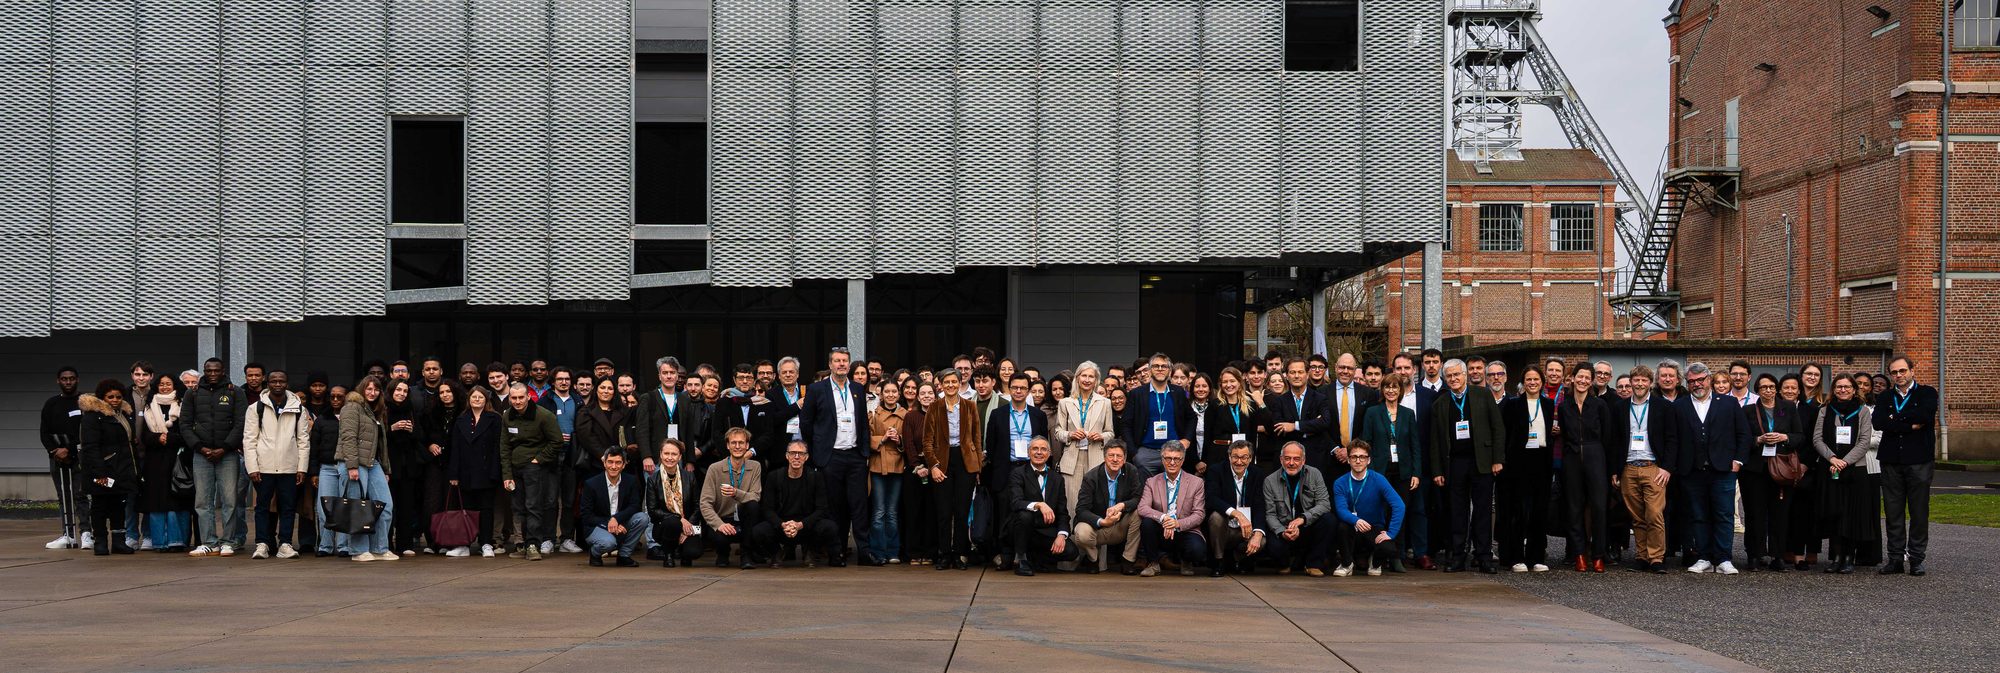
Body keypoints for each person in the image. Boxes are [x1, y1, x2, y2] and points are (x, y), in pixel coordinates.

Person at [797, 346, 874, 566]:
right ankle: (837, 552)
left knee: (859, 506)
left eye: (844, 361)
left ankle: (864, 552)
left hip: (855, 456)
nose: (841, 364)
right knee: (835, 507)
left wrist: (865, 453)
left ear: (849, 365)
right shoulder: (816, 389)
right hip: (831, 458)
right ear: (830, 364)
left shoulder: (857, 390)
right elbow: (807, 423)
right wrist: (817, 452)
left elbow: (863, 425)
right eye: (837, 361)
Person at [1428, 359, 1505, 574]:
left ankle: (1484, 557)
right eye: (1449, 376)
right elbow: (1435, 441)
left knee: (1482, 511)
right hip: (1455, 464)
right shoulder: (1440, 403)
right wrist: (1437, 470)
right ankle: (1458, 556)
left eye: (1457, 375)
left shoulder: (1482, 395)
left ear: (1465, 375)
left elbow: (1497, 427)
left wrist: (1498, 458)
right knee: (1457, 512)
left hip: (1482, 461)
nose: (1453, 379)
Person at [1674, 363, 1749, 575]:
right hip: (1692, 470)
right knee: (1698, 515)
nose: (1697, 384)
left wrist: (1739, 461)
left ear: (1709, 379)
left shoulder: (1728, 403)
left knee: (1724, 515)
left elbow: (1743, 434)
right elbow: (1674, 439)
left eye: (1701, 380)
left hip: (1723, 469)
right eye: (1692, 381)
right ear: (1687, 383)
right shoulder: (1679, 406)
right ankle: (1704, 556)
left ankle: (1724, 558)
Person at [1612, 365, 1679, 573]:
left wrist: (1667, 467)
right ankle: (1642, 556)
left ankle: (1657, 558)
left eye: (1644, 380)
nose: (1639, 384)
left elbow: (1672, 439)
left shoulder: (1663, 407)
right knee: (1637, 517)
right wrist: (1615, 470)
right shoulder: (1620, 407)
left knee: (1654, 514)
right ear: (1631, 382)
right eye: (1636, 380)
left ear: (1650, 383)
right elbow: (1615, 441)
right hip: (1629, 467)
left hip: (1653, 468)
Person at [1875, 354, 1937, 576]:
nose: (1898, 375)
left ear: (1912, 370)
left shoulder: (1927, 393)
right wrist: (1909, 425)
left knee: (1919, 511)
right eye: (1894, 372)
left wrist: (1895, 420)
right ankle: (1895, 558)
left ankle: (1917, 558)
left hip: (1919, 460)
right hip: (1891, 461)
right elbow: (1879, 422)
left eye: (1902, 371)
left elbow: (1925, 416)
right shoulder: (1884, 397)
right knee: (1893, 512)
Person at [1813, 374, 1878, 573]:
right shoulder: (1825, 410)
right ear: (1833, 389)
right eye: (1839, 386)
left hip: (1855, 470)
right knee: (1835, 514)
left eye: (1847, 386)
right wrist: (1832, 459)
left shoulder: (1863, 411)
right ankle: (1836, 557)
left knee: (1852, 515)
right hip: (1830, 468)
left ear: (1853, 389)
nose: (1843, 390)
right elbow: (1817, 439)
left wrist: (1844, 462)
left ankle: (1849, 557)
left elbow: (1864, 441)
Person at [243, 370, 311, 560]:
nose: (278, 384)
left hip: (289, 466)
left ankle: (285, 544)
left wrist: (301, 468)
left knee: (288, 507)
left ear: (287, 383)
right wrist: (253, 467)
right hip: (263, 467)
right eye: (274, 381)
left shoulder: (298, 408)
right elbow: (249, 440)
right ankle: (262, 543)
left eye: (281, 381)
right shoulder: (256, 408)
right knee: (262, 507)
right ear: (268, 383)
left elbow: (303, 440)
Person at [1740, 374, 1803, 572]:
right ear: (1757, 390)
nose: (1768, 390)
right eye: (1763, 387)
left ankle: (1778, 556)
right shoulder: (1748, 410)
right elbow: (1741, 438)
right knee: (1754, 514)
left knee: (1780, 514)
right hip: (1755, 470)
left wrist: (1784, 437)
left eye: (1771, 387)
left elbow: (1800, 436)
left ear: (1777, 389)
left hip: (1781, 468)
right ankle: (1754, 555)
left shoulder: (1789, 408)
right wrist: (1758, 440)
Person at [182, 358, 245, 557]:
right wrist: (200, 447)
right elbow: (185, 424)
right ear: (204, 371)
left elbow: (241, 423)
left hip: (227, 454)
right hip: (202, 455)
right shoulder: (192, 393)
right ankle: (209, 541)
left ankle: (228, 541)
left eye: (216, 370)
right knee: (202, 501)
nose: (212, 374)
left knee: (229, 500)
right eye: (208, 370)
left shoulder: (235, 391)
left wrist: (225, 447)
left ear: (223, 371)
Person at [1555, 365, 1615, 573]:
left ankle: (1598, 555)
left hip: (1595, 456)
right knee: (1574, 508)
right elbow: (1564, 433)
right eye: (1579, 377)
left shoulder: (1599, 405)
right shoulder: (1565, 407)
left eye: (1587, 378)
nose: (1582, 381)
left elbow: (1607, 437)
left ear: (1591, 381)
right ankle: (1579, 554)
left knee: (1599, 507)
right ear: (1572, 379)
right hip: (1571, 458)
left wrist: (1605, 463)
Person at [1358, 372, 1420, 572]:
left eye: (1395, 387)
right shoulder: (1373, 412)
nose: (1391, 390)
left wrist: (1416, 473)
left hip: (1403, 472)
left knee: (1399, 512)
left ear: (1400, 390)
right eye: (1387, 387)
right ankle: (1378, 554)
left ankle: (1396, 556)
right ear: (1382, 390)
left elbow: (1415, 446)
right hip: (1379, 472)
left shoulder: (1408, 414)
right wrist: (1368, 470)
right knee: (1379, 514)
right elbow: (1366, 442)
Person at [1497, 367, 1556, 573]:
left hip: (1541, 460)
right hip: (1518, 462)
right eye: (1529, 379)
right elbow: (1506, 434)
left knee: (1539, 511)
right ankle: (1516, 557)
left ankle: (1537, 556)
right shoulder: (1513, 404)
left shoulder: (1548, 404)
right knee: (1519, 511)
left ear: (1542, 382)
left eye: (1536, 379)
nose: (1532, 382)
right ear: (1523, 382)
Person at [922, 369, 982, 570]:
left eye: (954, 381)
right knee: (944, 511)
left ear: (959, 383)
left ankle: (960, 554)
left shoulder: (970, 406)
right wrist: (934, 466)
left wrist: (977, 467)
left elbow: (976, 438)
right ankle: (944, 554)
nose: (950, 385)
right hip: (943, 461)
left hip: (965, 461)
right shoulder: (934, 407)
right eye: (946, 382)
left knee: (963, 510)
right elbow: (927, 441)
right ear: (940, 384)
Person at [336, 377, 397, 561]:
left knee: (385, 505)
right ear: (362, 389)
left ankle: (380, 548)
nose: (372, 392)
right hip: (354, 463)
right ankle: (358, 550)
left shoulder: (376, 410)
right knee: (358, 508)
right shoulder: (351, 407)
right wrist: (352, 466)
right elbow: (348, 438)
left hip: (373, 463)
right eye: (368, 389)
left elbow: (382, 444)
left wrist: (386, 469)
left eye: (376, 389)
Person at [500, 382, 563, 561]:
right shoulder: (507, 417)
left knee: (533, 506)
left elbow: (557, 442)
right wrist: (507, 475)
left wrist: (539, 460)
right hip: (515, 467)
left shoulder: (544, 415)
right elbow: (504, 447)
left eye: (521, 397)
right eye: (514, 398)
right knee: (518, 507)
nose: (518, 401)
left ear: (529, 396)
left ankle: (533, 544)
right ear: (510, 398)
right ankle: (523, 544)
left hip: (535, 468)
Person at [1001, 437, 1077, 576]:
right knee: (1025, 515)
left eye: (1043, 449)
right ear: (1028, 452)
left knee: (1071, 551)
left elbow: (1062, 512)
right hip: (1019, 528)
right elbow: (1016, 502)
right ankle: (1021, 559)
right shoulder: (1018, 473)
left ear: (1049, 454)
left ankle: (1036, 558)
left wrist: (1062, 535)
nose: (1039, 452)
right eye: (1035, 449)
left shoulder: (1057, 479)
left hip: (1043, 531)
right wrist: (1039, 504)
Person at [755, 441, 838, 567]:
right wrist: (782, 524)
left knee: (829, 527)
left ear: (807, 457)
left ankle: (810, 552)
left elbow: (822, 509)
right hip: (783, 526)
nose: (797, 457)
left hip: (806, 526)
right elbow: (767, 509)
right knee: (759, 531)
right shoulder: (774, 476)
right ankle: (776, 553)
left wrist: (800, 525)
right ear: (787, 456)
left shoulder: (815, 477)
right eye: (793, 453)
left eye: (801, 453)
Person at [78, 380, 138, 556]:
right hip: (101, 469)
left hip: (121, 468)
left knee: (119, 505)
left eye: (118, 396)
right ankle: (101, 542)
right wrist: (99, 473)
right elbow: (90, 447)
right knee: (100, 506)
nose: (115, 399)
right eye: (110, 396)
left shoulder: (123, 414)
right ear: (102, 397)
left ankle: (119, 541)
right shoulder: (92, 416)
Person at [1053, 361, 1118, 521]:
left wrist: (1101, 436)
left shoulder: (1105, 403)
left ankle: (1094, 542)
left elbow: (1111, 432)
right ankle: (1070, 542)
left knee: (1096, 503)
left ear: (1096, 380)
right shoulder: (1065, 402)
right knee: (1071, 504)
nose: (1087, 380)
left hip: (1096, 457)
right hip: (1071, 459)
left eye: (1091, 376)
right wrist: (1071, 434)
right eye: (1084, 375)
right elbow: (1058, 432)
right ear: (1077, 378)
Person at [1333, 442, 1406, 576]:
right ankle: (1346, 564)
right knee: (1341, 527)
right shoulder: (1340, 482)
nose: (1358, 460)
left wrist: (1391, 533)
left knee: (1389, 548)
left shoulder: (1379, 479)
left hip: (1373, 527)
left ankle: (1375, 563)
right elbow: (1341, 509)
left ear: (1369, 460)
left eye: (1362, 457)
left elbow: (1399, 505)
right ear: (1348, 460)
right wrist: (1356, 520)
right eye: (1354, 457)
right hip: (1352, 527)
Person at [1262, 442, 1335, 576]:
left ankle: (1313, 564)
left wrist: (1303, 518)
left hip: (1306, 526)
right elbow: (1270, 514)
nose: (1291, 463)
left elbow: (1325, 504)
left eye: (1296, 459)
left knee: (1328, 520)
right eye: (1287, 458)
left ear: (1303, 460)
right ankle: (1284, 563)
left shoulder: (1314, 474)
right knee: (1273, 546)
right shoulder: (1269, 481)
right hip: (1284, 529)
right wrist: (1282, 532)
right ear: (1281, 459)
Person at [136, 374, 191, 552]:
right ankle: (159, 542)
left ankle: (177, 541)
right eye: (161, 384)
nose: (165, 387)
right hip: (155, 460)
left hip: (178, 459)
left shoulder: (184, 405)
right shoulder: (149, 406)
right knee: (156, 501)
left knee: (178, 500)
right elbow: (143, 435)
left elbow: (188, 432)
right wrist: (157, 438)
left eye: (168, 384)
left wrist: (171, 438)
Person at [1136, 441, 1206, 576]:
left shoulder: (1196, 482)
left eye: (1176, 459)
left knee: (1197, 550)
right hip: (1161, 530)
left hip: (1185, 530)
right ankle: (1153, 563)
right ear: (1162, 460)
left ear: (1183, 460)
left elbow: (1199, 514)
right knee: (1147, 523)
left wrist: (1177, 523)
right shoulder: (1152, 482)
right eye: (1168, 458)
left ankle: (1186, 561)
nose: (1172, 462)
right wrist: (1164, 518)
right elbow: (1142, 507)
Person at [700, 427, 762, 570]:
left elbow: (755, 496)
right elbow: (705, 503)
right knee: (718, 536)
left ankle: (746, 554)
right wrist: (719, 524)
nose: (738, 446)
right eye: (733, 443)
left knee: (752, 505)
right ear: (727, 445)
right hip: (723, 519)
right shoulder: (714, 468)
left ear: (747, 446)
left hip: (744, 518)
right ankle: (723, 553)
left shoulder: (755, 466)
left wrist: (736, 492)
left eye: (741, 443)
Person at [1125, 353, 1197, 474]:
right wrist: (1134, 452)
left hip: (1173, 451)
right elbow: (1126, 424)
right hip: (1145, 453)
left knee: (1171, 491)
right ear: (1149, 370)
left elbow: (1192, 418)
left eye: (1164, 366)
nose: (1160, 369)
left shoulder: (1178, 392)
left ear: (1169, 371)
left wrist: (1186, 440)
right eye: (1156, 366)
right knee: (1146, 491)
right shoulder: (1136, 394)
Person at [382, 379, 431, 556]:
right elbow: (378, 435)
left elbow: (421, 435)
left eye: (404, 391)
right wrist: (392, 428)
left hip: (408, 465)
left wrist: (411, 430)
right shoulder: (384, 409)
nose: (401, 393)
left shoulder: (411, 409)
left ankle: (405, 543)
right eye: (398, 390)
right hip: (389, 465)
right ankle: (385, 543)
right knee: (388, 506)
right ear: (391, 391)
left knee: (406, 506)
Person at [1203, 440, 1267, 577]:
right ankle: (1219, 561)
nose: (1239, 462)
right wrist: (1236, 513)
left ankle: (1237, 559)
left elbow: (1261, 505)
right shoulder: (1216, 470)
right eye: (1235, 457)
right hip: (1224, 528)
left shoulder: (1257, 474)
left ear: (1250, 458)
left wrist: (1258, 532)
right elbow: (1211, 498)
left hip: (1246, 529)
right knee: (1216, 517)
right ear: (1229, 456)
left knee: (1261, 541)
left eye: (1244, 457)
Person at [41, 366, 87, 550]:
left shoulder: (84, 401)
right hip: (57, 458)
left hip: (78, 457)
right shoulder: (51, 404)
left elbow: (85, 431)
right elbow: (44, 432)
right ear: (58, 381)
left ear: (77, 380)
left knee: (81, 495)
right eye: (64, 379)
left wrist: (69, 450)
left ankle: (86, 533)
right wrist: (55, 451)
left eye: (71, 378)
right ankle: (68, 534)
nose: (68, 382)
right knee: (63, 496)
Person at [867, 377, 912, 564]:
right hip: (878, 465)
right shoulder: (874, 413)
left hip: (897, 466)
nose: (891, 395)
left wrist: (899, 439)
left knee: (892, 512)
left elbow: (910, 441)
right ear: (881, 394)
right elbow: (866, 438)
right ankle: (877, 550)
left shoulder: (905, 414)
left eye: (894, 392)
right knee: (878, 512)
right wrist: (882, 438)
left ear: (899, 394)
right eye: (887, 392)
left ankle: (893, 550)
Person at [537, 367, 582, 554]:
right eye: (560, 379)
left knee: (570, 500)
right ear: (553, 381)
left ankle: (566, 539)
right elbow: (537, 427)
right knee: (550, 500)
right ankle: (548, 538)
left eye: (567, 379)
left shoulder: (578, 401)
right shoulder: (545, 400)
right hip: (551, 455)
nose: (564, 382)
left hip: (572, 456)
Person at [579, 448, 649, 567]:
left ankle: (624, 555)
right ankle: (595, 553)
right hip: (597, 526)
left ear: (624, 464)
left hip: (620, 522)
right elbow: (586, 516)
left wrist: (616, 519)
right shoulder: (591, 484)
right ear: (604, 463)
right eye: (610, 462)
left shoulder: (631, 481)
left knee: (642, 518)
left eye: (618, 462)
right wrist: (609, 523)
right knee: (608, 543)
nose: (613, 466)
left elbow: (635, 506)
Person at [634, 357, 699, 476]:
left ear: (677, 376)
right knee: (655, 493)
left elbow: (689, 432)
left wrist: (690, 460)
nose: (669, 376)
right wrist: (646, 456)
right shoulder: (648, 398)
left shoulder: (684, 399)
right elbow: (641, 430)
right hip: (654, 459)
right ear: (659, 376)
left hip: (679, 458)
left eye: (672, 372)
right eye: (665, 373)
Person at [417, 381, 462, 555]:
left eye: (448, 391)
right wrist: (429, 445)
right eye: (441, 392)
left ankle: (449, 542)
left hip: (454, 463)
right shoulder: (430, 413)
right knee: (432, 502)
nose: (445, 395)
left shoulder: (463, 412)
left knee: (451, 502)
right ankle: (433, 541)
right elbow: (422, 436)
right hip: (434, 463)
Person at [645, 439, 705, 567]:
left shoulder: (689, 477)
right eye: (666, 454)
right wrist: (679, 519)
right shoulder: (653, 480)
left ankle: (684, 553)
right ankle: (668, 554)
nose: (670, 458)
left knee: (694, 552)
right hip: (664, 527)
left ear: (680, 457)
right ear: (660, 455)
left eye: (674, 454)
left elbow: (698, 505)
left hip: (690, 523)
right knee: (672, 522)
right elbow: (652, 510)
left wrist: (687, 526)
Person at [1269, 358, 1334, 474]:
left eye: (1300, 372)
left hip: (1315, 459)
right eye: (1292, 372)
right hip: (1288, 461)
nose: (1296, 376)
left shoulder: (1320, 398)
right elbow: (1279, 428)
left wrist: (1295, 426)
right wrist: (1313, 426)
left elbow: (1325, 422)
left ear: (1307, 374)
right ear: (1286, 376)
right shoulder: (1278, 401)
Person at [900, 378, 934, 566]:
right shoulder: (911, 417)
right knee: (913, 512)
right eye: (923, 394)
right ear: (918, 397)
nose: (927, 396)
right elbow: (908, 443)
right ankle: (913, 552)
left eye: (930, 393)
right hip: (914, 469)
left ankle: (929, 552)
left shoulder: (939, 415)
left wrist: (932, 466)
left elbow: (941, 443)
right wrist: (918, 466)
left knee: (931, 512)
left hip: (935, 469)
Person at [1205, 367, 1262, 479]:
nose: (1228, 385)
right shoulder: (1214, 405)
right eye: (1225, 382)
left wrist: (1251, 457)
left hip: (1243, 456)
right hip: (1220, 454)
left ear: (1239, 383)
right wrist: (1205, 460)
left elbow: (1252, 435)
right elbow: (1208, 435)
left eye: (1232, 381)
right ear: (1220, 385)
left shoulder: (1250, 405)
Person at [1326, 353, 1379, 467]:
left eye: (1349, 368)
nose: (1345, 371)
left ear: (1355, 371)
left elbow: (1368, 426)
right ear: (1335, 367)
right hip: (1330, 457)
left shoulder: (1368, 394)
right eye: (1342, 367)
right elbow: (1321, 426)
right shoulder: (1322, 393)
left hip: (1359, 457)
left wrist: (1351, 448)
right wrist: (1335, 449)